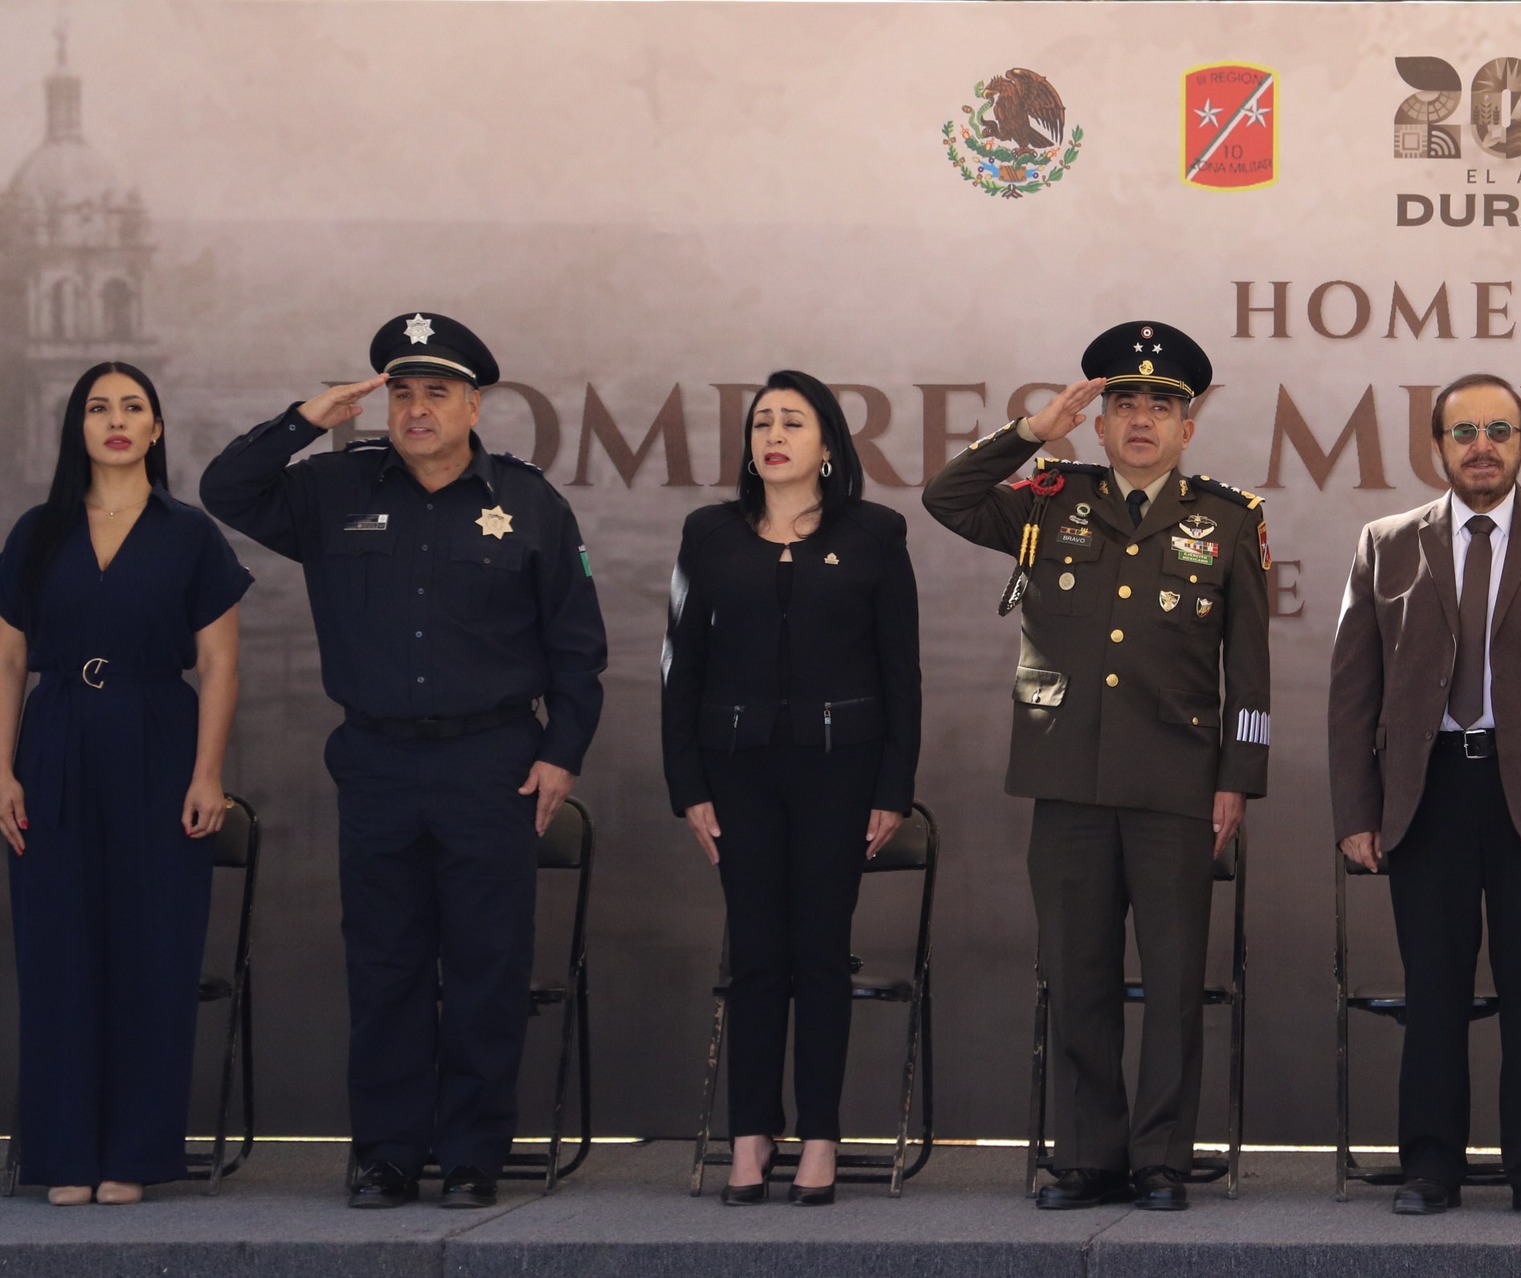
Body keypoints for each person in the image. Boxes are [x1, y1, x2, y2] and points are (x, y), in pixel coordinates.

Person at [199, 313, 607, 1209]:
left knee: (487, 967)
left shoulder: (529, 501)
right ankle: (386, 1154)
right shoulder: (332, 487)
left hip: (494, 763)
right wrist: (304, 421)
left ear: (474, 405)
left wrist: (562, 755)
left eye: (437, 393)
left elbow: (578, 646)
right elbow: (225, 488)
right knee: (385, 966)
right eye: (403, 393)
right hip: (378, 761)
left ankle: (471, 1155)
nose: (418, 410)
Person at [924, 321, 1270, 1211]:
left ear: (1187, 428)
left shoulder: (1228, 520)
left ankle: (1161, 1159)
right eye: (1124, 405)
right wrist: (1032, 432)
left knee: (1174, 984)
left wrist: (1237, 777)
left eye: (1160, 407)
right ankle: (1086, 1156)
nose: (1141, 420)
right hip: (1069, 778)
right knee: (1077, 977)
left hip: (1178, 785)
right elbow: (945, 497)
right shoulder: (1049, 499)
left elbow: (1250, 670)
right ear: (1102, 422)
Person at [1328, 373, 1521, 1219]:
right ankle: (1430, 1169)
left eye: (1499, 430)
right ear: (1438, 446)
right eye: (1464, 432)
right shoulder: (1387, 542)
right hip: (1426, 792)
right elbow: (1353, 689)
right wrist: (1357, 811)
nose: (1482, 446)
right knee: (1433, 989)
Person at [661, 370, 921, 1207]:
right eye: (762, 423)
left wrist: (893, 786)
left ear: (829, 444)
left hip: (840, 771)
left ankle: (819, 1137)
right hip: (736, 770)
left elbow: (901, 671)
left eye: (793, 422)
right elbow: (678, 666)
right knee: (756, 955)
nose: (774, 436)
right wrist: (686, 783)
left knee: (818, 952)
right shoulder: (708, 534)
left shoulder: (875, 532)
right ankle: (749, 1135)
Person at [0, 363, 250, 1206]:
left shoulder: (191, 534)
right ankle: (63, 1154)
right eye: (98, 407)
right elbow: (7, 661)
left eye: (133, 407)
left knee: (153, 948)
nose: (116, 419)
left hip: (158, 736)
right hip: (56, 736)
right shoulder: (37, 531)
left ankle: (134, 1156)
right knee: (56, 950)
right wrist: (0, 768)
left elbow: (219, 664)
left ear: (156, 428)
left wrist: (207, 773)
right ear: (78, 426)